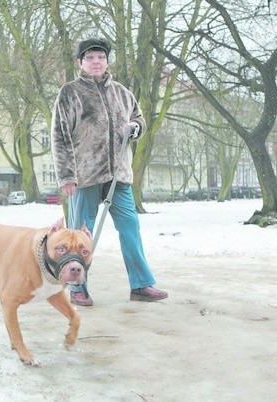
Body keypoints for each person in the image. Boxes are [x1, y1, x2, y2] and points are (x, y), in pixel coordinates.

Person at [50, 37, 168, 306]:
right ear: (80, 62)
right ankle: (77, 287)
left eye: (100, 58)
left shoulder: (121, 92)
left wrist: (136, 128)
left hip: (119, 176)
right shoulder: (70, 93)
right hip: (85, 175)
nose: (96, 62)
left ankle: (140, 285)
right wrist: (66, 176)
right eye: (90, 58)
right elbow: (59, 136)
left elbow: (139, 117)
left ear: (106, 61)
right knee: (78, 235)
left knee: (130, 227)